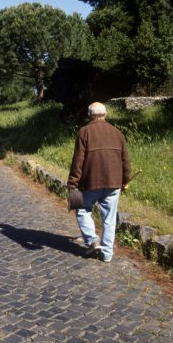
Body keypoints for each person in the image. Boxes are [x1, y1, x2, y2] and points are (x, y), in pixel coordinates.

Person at [67, 102, 131, 262]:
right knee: (109, 219)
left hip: (91, 182)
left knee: (82, 210)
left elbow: (78, 161)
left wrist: (73, 182)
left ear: (89, 116)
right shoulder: (117, 133)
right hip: (114, 182)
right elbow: (125, 160)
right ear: (106, 114)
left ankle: (92, 240)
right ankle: (107, 255)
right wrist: (126, 179)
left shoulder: (84, 132)